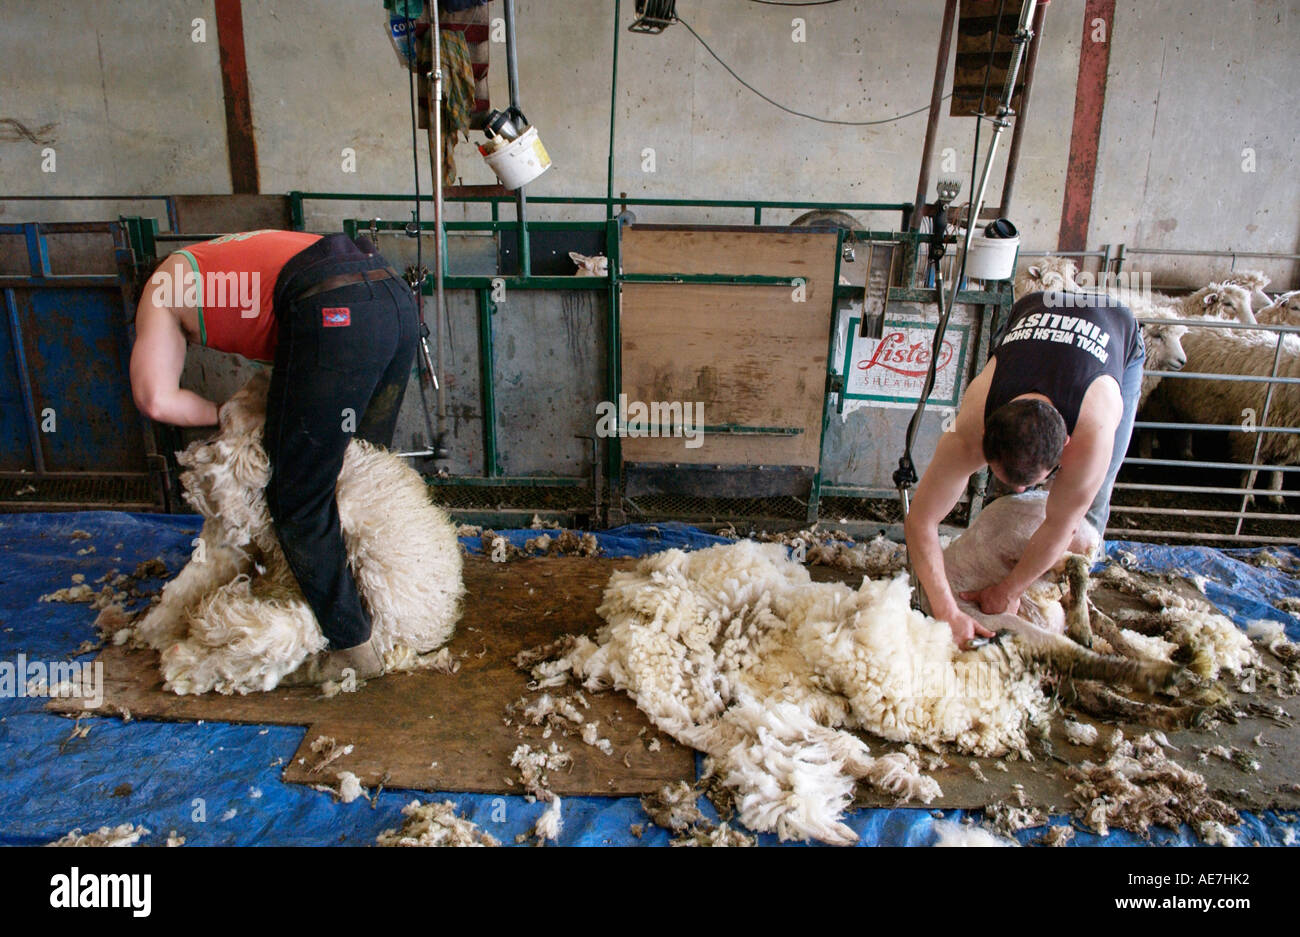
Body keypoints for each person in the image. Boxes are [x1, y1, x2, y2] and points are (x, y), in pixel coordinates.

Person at [129, 229, 420, 683]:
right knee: (358, 473)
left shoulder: (160, 287)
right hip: (392, 299)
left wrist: (233, 415)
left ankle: (351, 647)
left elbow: (156, 400)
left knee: (297, 497)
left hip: (333, 308)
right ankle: (389, 613)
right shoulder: (224, 253)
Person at [903, 287, 1145, 648]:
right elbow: (920, 520)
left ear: (1066, 446)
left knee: (1086, 511)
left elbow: (1061, 524)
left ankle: (1069, 593)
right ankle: (1015, 570)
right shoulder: (968, 430)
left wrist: (1008, 590)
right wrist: (947, 611)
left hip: (1113, 328)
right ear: (985, 443)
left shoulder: (1092, 434)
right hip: (1034, 309)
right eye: (1006, 477)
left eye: (1031, 482)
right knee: (1019, 499)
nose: (1019, 492)